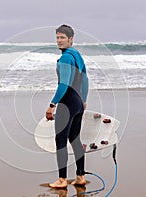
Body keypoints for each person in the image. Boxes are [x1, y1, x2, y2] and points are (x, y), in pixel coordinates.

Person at [46, 24, 89, 188]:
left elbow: (63, 84)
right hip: (77, 103)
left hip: (67, 103)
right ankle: (80, 177)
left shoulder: (65, 58)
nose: (59, 41)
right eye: (57, 37)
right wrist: (83, 100)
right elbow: (85, 79)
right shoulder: (77, 55)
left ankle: (62, 179)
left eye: (62, 37)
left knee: (61, 140)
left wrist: (52, 105)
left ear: (71, 39)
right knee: (75, 139)